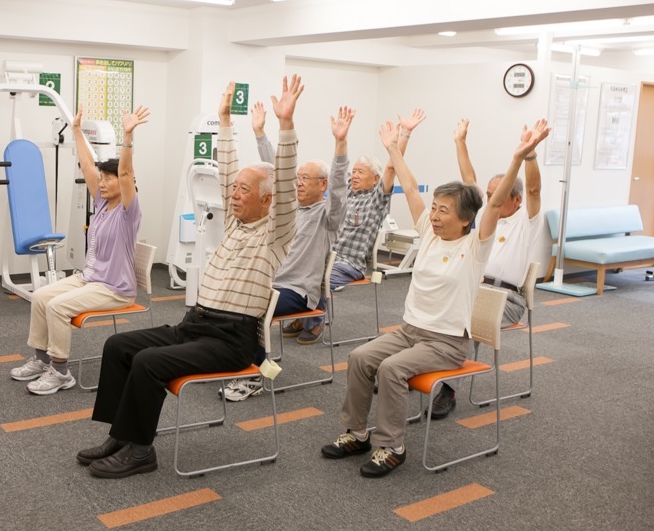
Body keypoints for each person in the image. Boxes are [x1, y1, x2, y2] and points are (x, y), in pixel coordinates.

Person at [75, 76, 302, 479]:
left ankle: (141, 451)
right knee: (118, 345)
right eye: (235, 189)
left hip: (232, 340)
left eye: (244, 190)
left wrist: (285, 126)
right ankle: (122, 435)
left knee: (147, 363)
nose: (233, 194)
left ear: (267, 199)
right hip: (195, 325)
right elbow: (229, 170)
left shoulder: (276, 231)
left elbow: (285, 183)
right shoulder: (235, 222)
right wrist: (224, 121)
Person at [321, 118, 550, 478]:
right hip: (409, 331)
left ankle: (391, 446)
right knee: (359, 358)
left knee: (391, 370)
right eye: (435, 207)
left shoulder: (475, 247)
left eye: (444, 210)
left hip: (445, 342)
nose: (435, 214)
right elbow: (410, 187)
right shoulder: (428, 231)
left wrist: (519, 158)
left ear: (465, 219)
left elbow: (493, 205)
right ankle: (356, 432)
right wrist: (394, 148)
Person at [215, 103, 352, 403]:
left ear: (322, 185)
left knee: (252, 311)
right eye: (298, 177)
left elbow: (340, 188)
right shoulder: (287, 211)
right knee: (228, 300)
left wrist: (340, 144)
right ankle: (233, 361)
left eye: (306, 179)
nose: (298, 182)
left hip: (297, 290)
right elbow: (275, 172)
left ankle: (255, 375)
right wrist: (261, 133)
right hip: (270, 283)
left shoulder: (328, 216)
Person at [8, 105, 148, 395]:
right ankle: (41, 358)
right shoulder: (101, 203)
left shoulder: (127, 210)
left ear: (125, 183)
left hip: (114, 288)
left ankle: (60, 372)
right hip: (90, 278)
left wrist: (127, 135)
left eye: (110, 179)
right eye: (103, 178)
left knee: (58, 307)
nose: (104, 182)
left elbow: (125, 171)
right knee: (42, 296)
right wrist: (75, 132)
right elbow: (87, 165)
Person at [429, 118, 545, 418]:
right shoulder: (486, 217)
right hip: (475, 287)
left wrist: (529, 154)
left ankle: (448, 389)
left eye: (497, 194)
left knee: (459, 317)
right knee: (433, 305)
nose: (490, 198)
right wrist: (460, 142)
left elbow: (533, 188)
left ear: (516, 200)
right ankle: (411, 366)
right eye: (490, 193)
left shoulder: (526, 220)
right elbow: (469, 178)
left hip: (507, 300)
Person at [329, 110, 426, 291]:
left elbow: (391, 168)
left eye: (361, 172)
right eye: (354, 171)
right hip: (326, 258)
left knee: (319, 284)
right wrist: (340, 139)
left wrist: (405, 134)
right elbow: (339, 170)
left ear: (375, 179)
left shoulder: (376, 200)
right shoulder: (347, 193)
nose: (355, 176)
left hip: (348, 264)